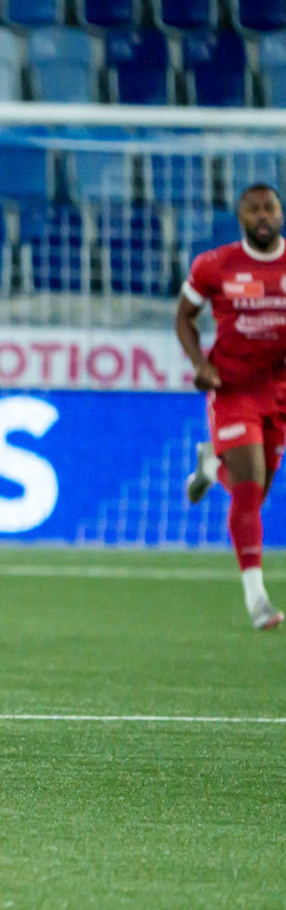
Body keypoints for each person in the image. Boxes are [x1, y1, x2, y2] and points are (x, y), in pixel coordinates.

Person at [176, 184, 286, 629]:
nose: (262, 216)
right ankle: (257, 600)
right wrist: (200, 364)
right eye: (253, 209)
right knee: (248, 489)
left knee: (256, 493)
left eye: (269, 208)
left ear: (280, 213)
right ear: (240, 217)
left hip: (278, 390)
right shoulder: (215, 265)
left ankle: (209, 466)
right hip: (233, 388)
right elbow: (184, 317)